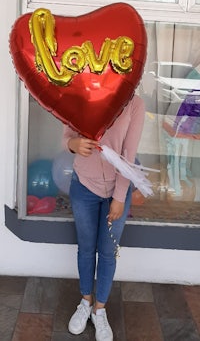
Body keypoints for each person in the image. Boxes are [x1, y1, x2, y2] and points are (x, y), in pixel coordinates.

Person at [63, 94, 145, 341]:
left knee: (108, 252)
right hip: (83, 186)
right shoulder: (81, 95)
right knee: (86, 248)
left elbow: (128, 156)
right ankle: (85, 301)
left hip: (116, 191)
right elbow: (67, 135)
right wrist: (72, 144)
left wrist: (120, 197)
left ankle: (100, 309)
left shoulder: (134, 103)